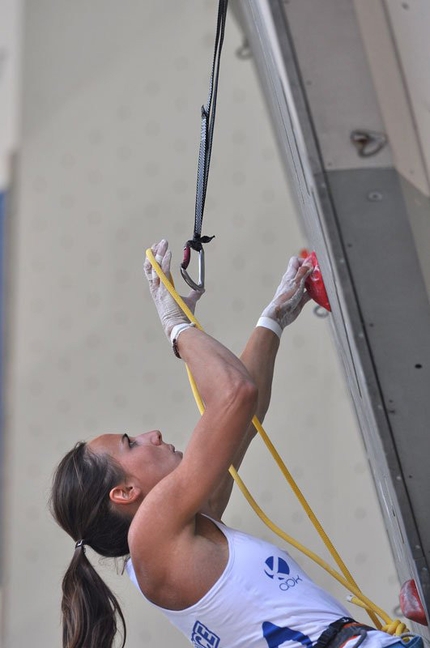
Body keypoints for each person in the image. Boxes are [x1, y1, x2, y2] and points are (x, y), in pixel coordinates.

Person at [50, 239, 413, 648]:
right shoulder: (150, 538)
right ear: (125, 491)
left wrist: (273, 319)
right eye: (131, 443)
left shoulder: (182, 531)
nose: (153, 435)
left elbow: (242, 418)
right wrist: (175, 326)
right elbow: (234, 394)